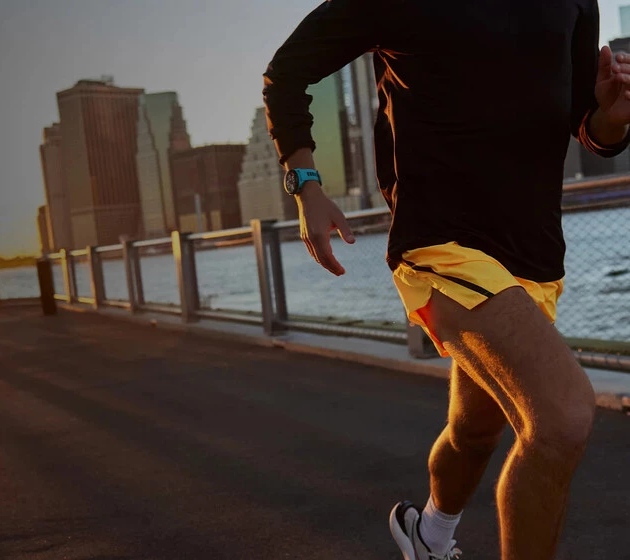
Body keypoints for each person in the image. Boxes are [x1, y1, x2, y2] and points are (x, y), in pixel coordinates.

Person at [263, 1, 630, 559]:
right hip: (441, 244)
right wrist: (306, 185)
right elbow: (286, 73)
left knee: (474, 432)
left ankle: (428, 536)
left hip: (532, 254)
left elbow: (584, 121)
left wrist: (611, 117)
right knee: (562, 417)